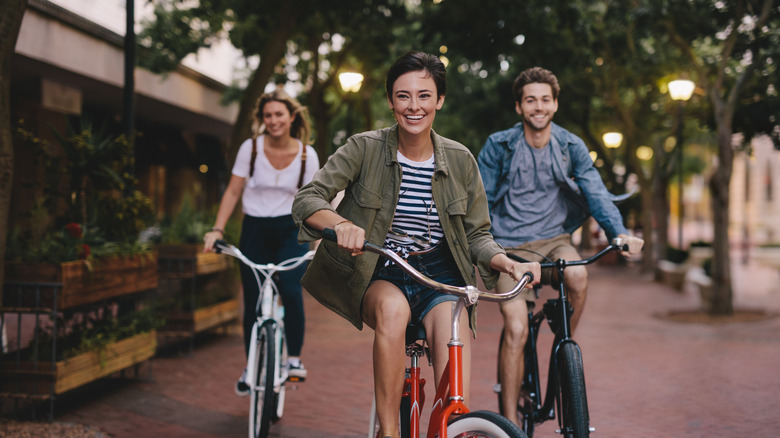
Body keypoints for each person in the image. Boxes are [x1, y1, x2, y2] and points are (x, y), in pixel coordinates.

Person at [291, 51, 541, 438]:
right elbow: (308, 199)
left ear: (439, 100)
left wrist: (509, 264)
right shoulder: (364, 148)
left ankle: (454, 427)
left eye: (424, 95)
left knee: (452, 335)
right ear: (390, 101)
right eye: (403, 96)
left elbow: (477, 235)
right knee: (392, 313)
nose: (414, 106)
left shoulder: (460, 160)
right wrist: (341, 224)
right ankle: (390, 431)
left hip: (441, 274)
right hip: (383, 269)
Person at [477, 66, 644, 425]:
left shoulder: (570, 146)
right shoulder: (498, 146)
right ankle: (508, 426)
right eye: (530, 100)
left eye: (545, 100)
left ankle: (561, 349)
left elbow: (596, 194)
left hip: (555, 241)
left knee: (580, 277)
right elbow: (481, 204)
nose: (538, 106)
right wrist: (485, 249)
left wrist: (619, 233)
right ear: (519, 107)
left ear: (555, 105)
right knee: (517, 329)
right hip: (509, 249)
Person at [203, 88, 320, 395]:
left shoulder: (307, 154)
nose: (273, 120)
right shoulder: (250, 149)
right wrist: (217, 229)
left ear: (291, 117)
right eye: (267, 115)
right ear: (262, 118)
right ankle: (251, 365)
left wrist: (320, 239)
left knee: (292, 291)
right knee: (253, 300)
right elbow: (232, 191)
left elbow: (316, 200)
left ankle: (293, 359)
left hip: (290, 228)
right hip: (254, 228)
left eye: (279, 114)